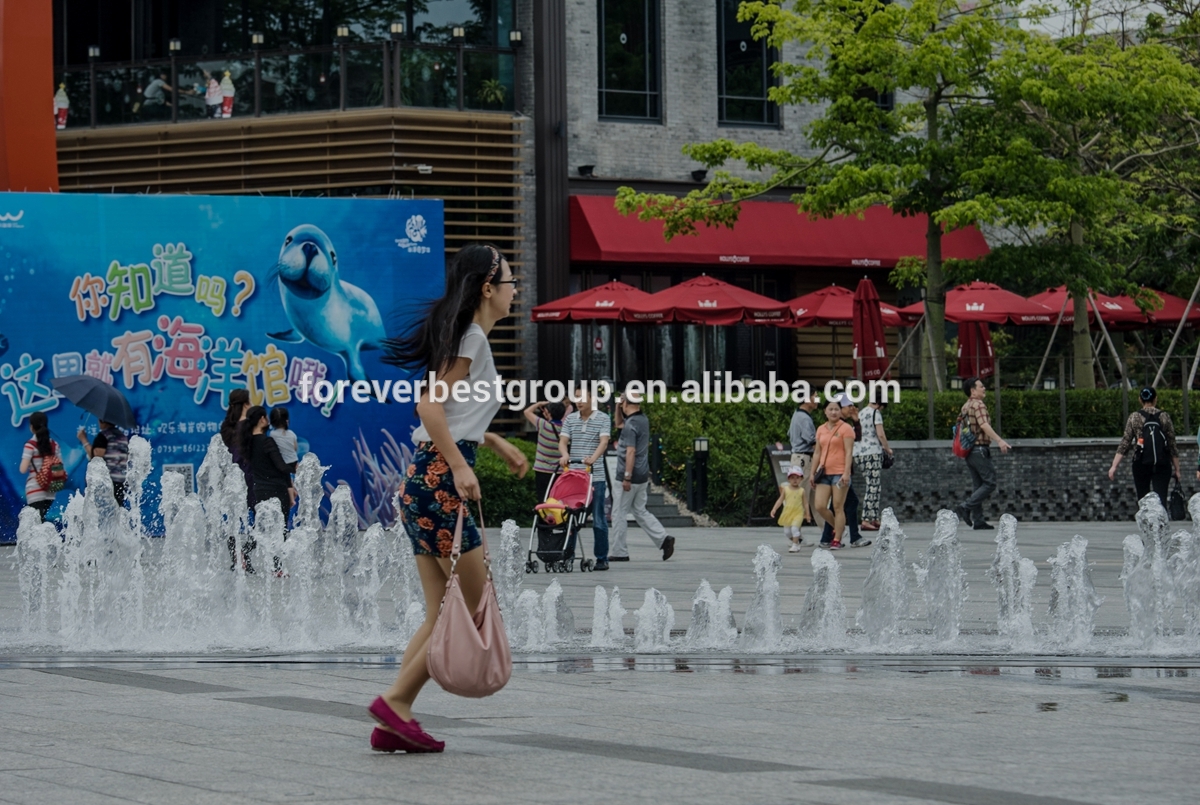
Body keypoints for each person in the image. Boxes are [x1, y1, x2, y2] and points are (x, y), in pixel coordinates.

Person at [371, 243, 527, 754]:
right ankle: (395, 703)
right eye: (509, 281)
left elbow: (453, 414)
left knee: (441, 612)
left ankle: (394, 719)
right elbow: (430, 408)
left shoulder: (466, 337)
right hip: (441, 482)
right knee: (476, 606)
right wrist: (460, 466)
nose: (515, 289)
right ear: (487, 288)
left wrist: (492, 439)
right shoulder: (474, 339)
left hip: (422, 481)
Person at [608, 389, 675, 561]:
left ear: (626, 403)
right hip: (643, 475)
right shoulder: (641, 420)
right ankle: (663, 538)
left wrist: (627, 477)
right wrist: (618, 407)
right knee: (639, 510)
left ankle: (619, 552)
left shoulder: (631, 425)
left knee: (619, 513)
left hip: (629, 475)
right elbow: (618, 424)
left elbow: (630, 451)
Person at [558, 390, 612, 570]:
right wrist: (564, 454)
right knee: (571, 517)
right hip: (574, 477)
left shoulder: (603, 418)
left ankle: (602, 558)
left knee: (598, 519)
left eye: (582, 398)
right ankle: (568, 555)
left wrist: (593, 458)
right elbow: (563, 441)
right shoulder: (571, 419)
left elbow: (604, 442)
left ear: (592, 399)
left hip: (594, 477)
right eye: (576, 398)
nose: (579, 402)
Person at [953, 376, 1011, 531]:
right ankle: (965, 507)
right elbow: (984, 425)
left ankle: (978, 520)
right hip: (979, 449)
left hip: (969, 450)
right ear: (973, 391)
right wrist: (999, 440)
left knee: (978, 485)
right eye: (981, 386)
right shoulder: (978, 404)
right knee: (990, 482)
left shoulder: (965, 406)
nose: (984, 388)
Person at [1109, 386, 1180, 510]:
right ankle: (1161, 526)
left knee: (1143, 498)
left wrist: (1114, 466)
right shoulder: (1164, 417)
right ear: (1155, 399)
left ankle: (1147, 526)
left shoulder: (1134, 417)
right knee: (1161, 498)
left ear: (1140, 400)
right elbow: (1172, 444)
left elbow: (1125, 443)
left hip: (1141, 462)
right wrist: (1177, 469)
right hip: (1162, 463)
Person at [810, 398, 855, 549]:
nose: (834, 412)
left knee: (837, 506)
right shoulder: (821, 429)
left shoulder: (846, 428)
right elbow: (817, 452)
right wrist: (812, 473)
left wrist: (846, 472)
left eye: (837, 409)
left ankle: (837, 539)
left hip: (840, 472)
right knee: (820, 506)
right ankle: (839, 527)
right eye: (831, 409)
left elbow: (849, 452)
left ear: (841, 411)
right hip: (823, 472)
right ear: (825, 411)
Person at [856, 398, 893, 530]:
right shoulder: (875, 413)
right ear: (878, 404)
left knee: (873, 485)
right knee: (873, 486)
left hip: (859, 453)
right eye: (882, 407)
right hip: (872, 453)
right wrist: (887, 448)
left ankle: (875, 518)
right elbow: (881, 434)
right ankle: (866, 519)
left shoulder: (860, 413)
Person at [76, 419, 130, 507]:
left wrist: (83, 439)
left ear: (102, 421)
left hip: (106, 482)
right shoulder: (122, 436)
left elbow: (96, 458)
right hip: (121, 481)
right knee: (117, 513)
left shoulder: (103, 436)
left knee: (101, 513)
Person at [19, 412, 61, 521]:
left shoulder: (30, 445)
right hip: (51, 490)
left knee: (35, 523)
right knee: (41, 520)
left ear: (31, 427)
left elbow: (22, 469)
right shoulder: (54, 445)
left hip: (35, 488)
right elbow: (59, 466)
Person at [525, 398, 568, 502]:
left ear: (548, 413)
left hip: (542, 470)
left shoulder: (543, 425)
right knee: (558, 501)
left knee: (543, 500)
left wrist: (539, 403)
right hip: (560, 471)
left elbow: (527, 412)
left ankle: (543, 518)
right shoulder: (566, 430)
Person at [788, 396, 820, 525]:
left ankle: (829, 531)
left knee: (816, 499)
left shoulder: (797, 414)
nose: (817, 399)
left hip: (799, 458)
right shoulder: (804, 418)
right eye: (815, 396)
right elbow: (812, 441)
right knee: (802, 498)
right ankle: (795, 535)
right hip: (804, 459)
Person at [770, 465, 806, 552]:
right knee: (787, 532)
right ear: (789, 479)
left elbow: (806, 503)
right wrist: (774, 509)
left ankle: (794, 546)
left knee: (794, 528)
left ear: (801, 479)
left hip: (798, 512)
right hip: (788, 512)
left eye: (797, 478)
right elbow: (780, 500)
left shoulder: (802, 491)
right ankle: (796, 542)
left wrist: (807, 513)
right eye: (792, 478)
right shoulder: (786, 489)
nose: (795, 480)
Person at [269, 406, 299, 473]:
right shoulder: (291, 434)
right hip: (294, 462)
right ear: (287, 421)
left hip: (281, 464)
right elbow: (295, 448)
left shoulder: (272, 434)